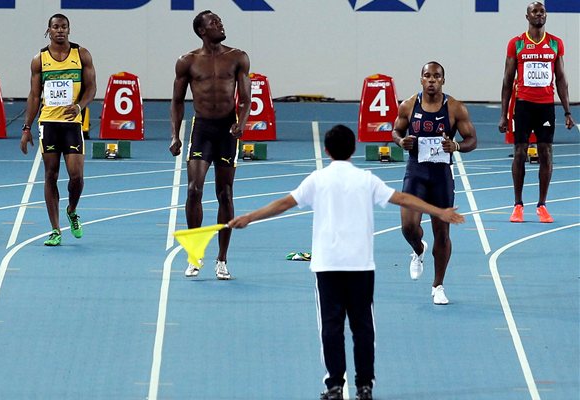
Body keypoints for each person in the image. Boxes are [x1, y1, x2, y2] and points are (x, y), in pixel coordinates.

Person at [229, 125, 464, 400]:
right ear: (353, 150)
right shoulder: (366, 179)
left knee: (331, 328)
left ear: (326, 151)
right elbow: (402, 198)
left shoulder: (317, 179)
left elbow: (283, 204)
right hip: (359, 266)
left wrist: (249, 217)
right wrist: (439, 211)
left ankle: (334, 387)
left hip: (327, 266)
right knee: (363, 328)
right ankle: (364, 386)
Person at [170, 10, 251, 280]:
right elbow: (177, 101)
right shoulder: (187, 61)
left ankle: (222, 259)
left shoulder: (238, 57)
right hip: (202, 129)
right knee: (193, 190)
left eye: (220, 21)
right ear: (202, 31)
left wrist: (241, 123)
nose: (220, 25)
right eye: (214, 23)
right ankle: (194, 255)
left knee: (225, 194)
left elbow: (246, 98)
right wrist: (175, 135)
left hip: (227, 130)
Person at [392, 61, 477, 305]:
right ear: (421, 79)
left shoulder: (456, 108)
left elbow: (472, 139)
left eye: (436, 76)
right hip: (416, 173)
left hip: (441, 177)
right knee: (408, 227)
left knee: (442, 232)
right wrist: (401, 142)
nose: (431, 80)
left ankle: (438, 285)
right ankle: (418, 249)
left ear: (443, 80)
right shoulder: (408, 105)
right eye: (427, 76)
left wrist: (456, 145)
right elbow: (396, 131)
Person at [20, 14, 96, 246]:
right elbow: (34, 96)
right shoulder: (39, 60)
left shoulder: (81, 55)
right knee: (50, 175)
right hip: (48, 123)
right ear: (49, 30)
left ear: (69, 30)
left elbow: (91, 88)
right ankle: (55, 230)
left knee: (76, 176)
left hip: (72, 123)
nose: (60, 30)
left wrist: (79, 106)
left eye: (64, 27)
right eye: (56, 27)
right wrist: (26, 128)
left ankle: (72, 210)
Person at [498, 1, 575, 223]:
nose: (539, 14)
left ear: (546, 16)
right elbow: (507, 80)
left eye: (542, 12)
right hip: (523, 105)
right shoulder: (517, 43)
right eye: (535, 11)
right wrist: (504, 114)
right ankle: (518, 205)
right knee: (520, 152)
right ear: (527, 16)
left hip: (546, 107)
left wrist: (567, 111)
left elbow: (561, 79)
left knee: (546, 153)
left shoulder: (555, 43)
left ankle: (542, 205)